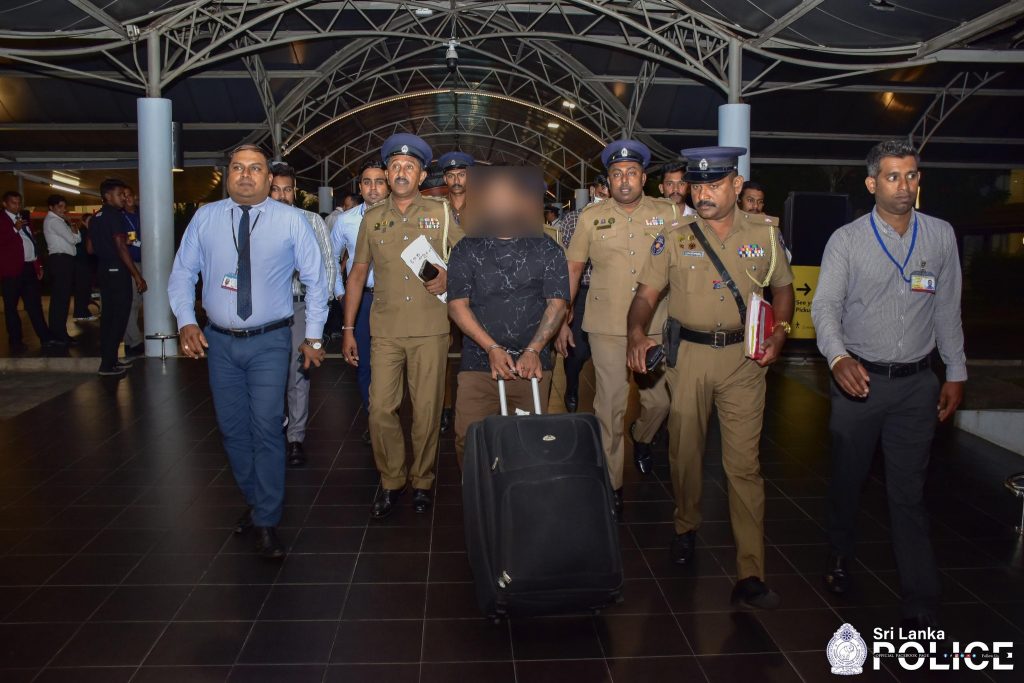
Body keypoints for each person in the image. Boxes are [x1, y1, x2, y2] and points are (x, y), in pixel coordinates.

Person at [626, 146, 795, 610]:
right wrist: (636, 331)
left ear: (736, 185)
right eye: (697, 186)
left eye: (714, 185)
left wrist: (780, 332)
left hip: (745, 361)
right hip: (690, 359)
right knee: (685, 454)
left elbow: (782, 287)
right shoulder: (674, 237)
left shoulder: (764, 233)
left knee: (744, 466)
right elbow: (645, 296)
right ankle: (686, 524)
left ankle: (751, 571)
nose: (702, 194)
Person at [811, 140, 966, 631]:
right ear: (872, 183)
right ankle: (839, 553)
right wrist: (838, 357)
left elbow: (948, 309)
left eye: (912, 175)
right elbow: (825, 307)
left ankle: (921, 597)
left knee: (908, 492)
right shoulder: (847, 240)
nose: (904, 186)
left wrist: (955, 372)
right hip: (860, 382)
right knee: (848, 478)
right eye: (893, 176)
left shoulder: (940, 236)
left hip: (917, 384)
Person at [168, 144, 328, 560]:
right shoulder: (205, 218)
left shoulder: (291, 221)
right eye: (237, 167)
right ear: (228, 175)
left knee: (266, 427)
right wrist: (186, 320)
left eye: (254, 168)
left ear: (268, 178)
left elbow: (317, 280)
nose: (245, 175)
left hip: (270, 341)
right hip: (218, 341)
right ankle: (258, 502)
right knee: (232, 430)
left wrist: (313, 337)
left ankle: (267, 520)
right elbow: (183, 272)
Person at [341, 133, 463, 520]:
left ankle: (422, 480)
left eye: (409, 166)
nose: (401, 172)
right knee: (380, 409)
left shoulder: (441, 212)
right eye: (395, 165)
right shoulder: (373, 218)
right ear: (387, 173)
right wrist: (347, 329)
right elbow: (357, 274)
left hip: (430, 328)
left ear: (422, 175)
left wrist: (450, 277)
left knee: (426, 412)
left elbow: (467, 256)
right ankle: (392, 479)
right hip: (385, 330)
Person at [558, 140, 676, 518]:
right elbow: (573, 268)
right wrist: (563, 315)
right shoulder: (591, 217)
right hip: (606, 325)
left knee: (660, 402)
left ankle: (642, 436)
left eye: (631, 173)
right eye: (616, 174)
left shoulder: (669, 213)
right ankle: (612, 484)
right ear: (608, 181)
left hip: (654, 324)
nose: (624, 180)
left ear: (643, 178)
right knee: (609, 405)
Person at [448, 167, 569, 466]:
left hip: (531, 366)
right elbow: (457, 305)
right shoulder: (466, 248)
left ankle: (518, 493)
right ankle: (479, 491)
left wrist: (534, 350)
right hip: (478, 364)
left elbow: (557, 305)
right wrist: (491, 348)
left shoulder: (548, 249)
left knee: (528, 444)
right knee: (469, 439)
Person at [269, 163, 337, 468]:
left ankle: (295, 437)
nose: (282, 195)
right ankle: (273, 428)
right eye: (276, 189)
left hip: (300, 306)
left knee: (299, 372)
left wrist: (320, 311)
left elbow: (328, 264)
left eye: (287, 189)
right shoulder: (258, 221)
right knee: (269, 373)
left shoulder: (311, 221)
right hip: (267, 310)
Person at [331, 160, 390, 431]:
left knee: (394, 361)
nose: (373, 188)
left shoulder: (402, 216)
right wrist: (340, 294)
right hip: (363, 300)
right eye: (367, 182)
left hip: (394, 299)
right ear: (360, 187)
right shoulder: (345, 221)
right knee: (364, 362)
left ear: (388, 185)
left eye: (379, 182)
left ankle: (390, 416)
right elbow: (332, 260)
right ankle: (373, 421)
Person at [553, 174, 608, 412]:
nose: (605, 193)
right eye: (601, 189)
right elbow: (566, 261)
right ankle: (572, 386)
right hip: (581, 293)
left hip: (609, 293)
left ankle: (607, 401)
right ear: (593, 190)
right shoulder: (574, 219)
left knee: (608, 349)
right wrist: (567, 303)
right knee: (577, 349)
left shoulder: (621, 219)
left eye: (609, 189)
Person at [90, 179, 146, 376]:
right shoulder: (114, 216)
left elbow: (90, 248)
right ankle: (107, 365)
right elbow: (121, 246)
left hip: (103, 269)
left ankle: (110, 359)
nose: (123, 197)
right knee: (119, 316)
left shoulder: (96, 217)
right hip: (117, 269)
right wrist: (137, 275)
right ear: (108, 196)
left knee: (108, 316)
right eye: (120, 194)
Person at [438, 150, 474, 434]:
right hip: (443, 292)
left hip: (477, 291)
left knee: (474, 349)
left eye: (461, 174)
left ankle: (473, 404)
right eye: (451, 175)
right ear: (445, 179)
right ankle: (445, 406)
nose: (456, 180)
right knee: (443, 350)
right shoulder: (437, 209)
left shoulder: (484, 209)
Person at [1, 191, 56, 353]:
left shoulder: (24, 219)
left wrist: (38, 265)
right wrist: (14, 229)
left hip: (29, 267)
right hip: (11, 271)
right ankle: (15, 341)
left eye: (19, 203)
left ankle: (45, 337)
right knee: (11, 307)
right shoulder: (3, 220)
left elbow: (31, 242)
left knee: (34, 305)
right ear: (5, 204)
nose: (17, 206)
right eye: (13, 203)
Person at [43, 193, 81, 344]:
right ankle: (59, 334)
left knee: (61, 299)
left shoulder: (58, 221)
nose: (63, 209)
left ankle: (58, 332)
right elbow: (73, 239)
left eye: (64, 206)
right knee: (61, 299)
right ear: (51, 207)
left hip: (63, 261)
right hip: (61, 261)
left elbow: (77, 239)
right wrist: (71, 225)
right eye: (59, 206)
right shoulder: (55, 221)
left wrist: (72, 227)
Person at [122, 187, 145, 357]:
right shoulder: (120, 217)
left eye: (129, 195)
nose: (127, 199)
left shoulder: (141, 214)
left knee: (137, 303)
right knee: (132, 302)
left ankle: (130, 341)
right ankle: (135, 340)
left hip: (146, 262)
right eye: (123, 196)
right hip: (130, 263)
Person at [72, 213, 98, 322]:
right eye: (89, 220)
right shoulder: (84, 233)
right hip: (82, 265)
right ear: (83, 222)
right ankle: (81, 313)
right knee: (82, 290)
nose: (92, 223)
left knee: (84, 290)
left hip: (84, 265)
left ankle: (82, 312)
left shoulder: (87, 232)